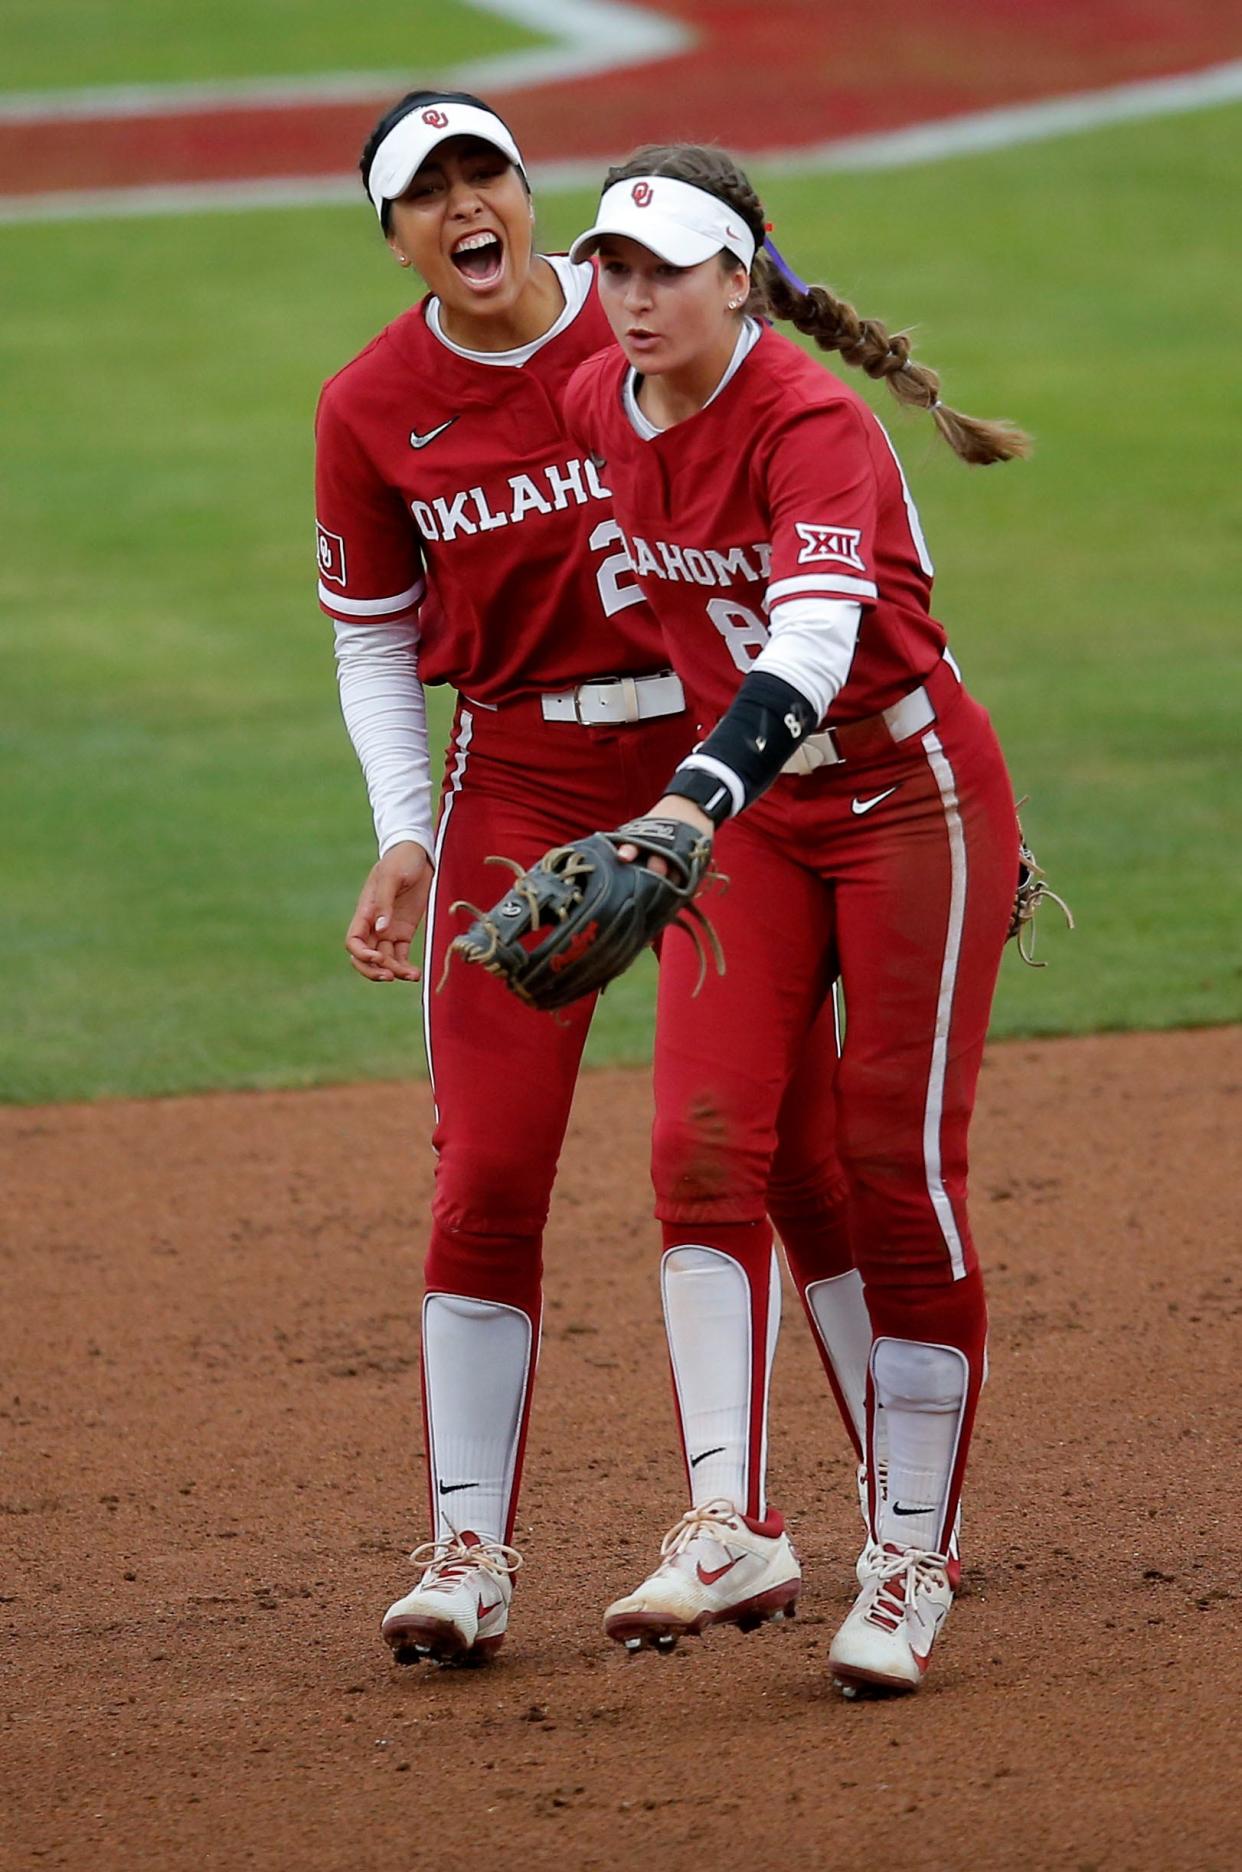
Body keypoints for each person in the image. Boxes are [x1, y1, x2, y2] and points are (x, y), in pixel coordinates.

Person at [315, 94, 856, 1666]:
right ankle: (468, 1552)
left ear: (528, 190)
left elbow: (816, 549)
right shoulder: (372, 405)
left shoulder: (647, 317)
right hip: (522, 782)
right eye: (429, 194)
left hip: (711, 770)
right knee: (484, 1166)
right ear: (397, 233)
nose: (466, 208)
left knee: (788, 1152)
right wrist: (406, 824)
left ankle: (876, 1516)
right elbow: (370, 631)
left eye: (484, 172)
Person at [561, 145, 1030, 1693]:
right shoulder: (591, 412)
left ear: (737, 277)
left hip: (910, 802)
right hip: (752, 821)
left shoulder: (811, 423)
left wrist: (690, 798)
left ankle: (907, 1555)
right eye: (612, 270)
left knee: (895, 1166)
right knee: (700, 1139)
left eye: (664, 273)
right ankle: (728, 1522)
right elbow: (673, 628)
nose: (630, 301)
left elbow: (816, 642)